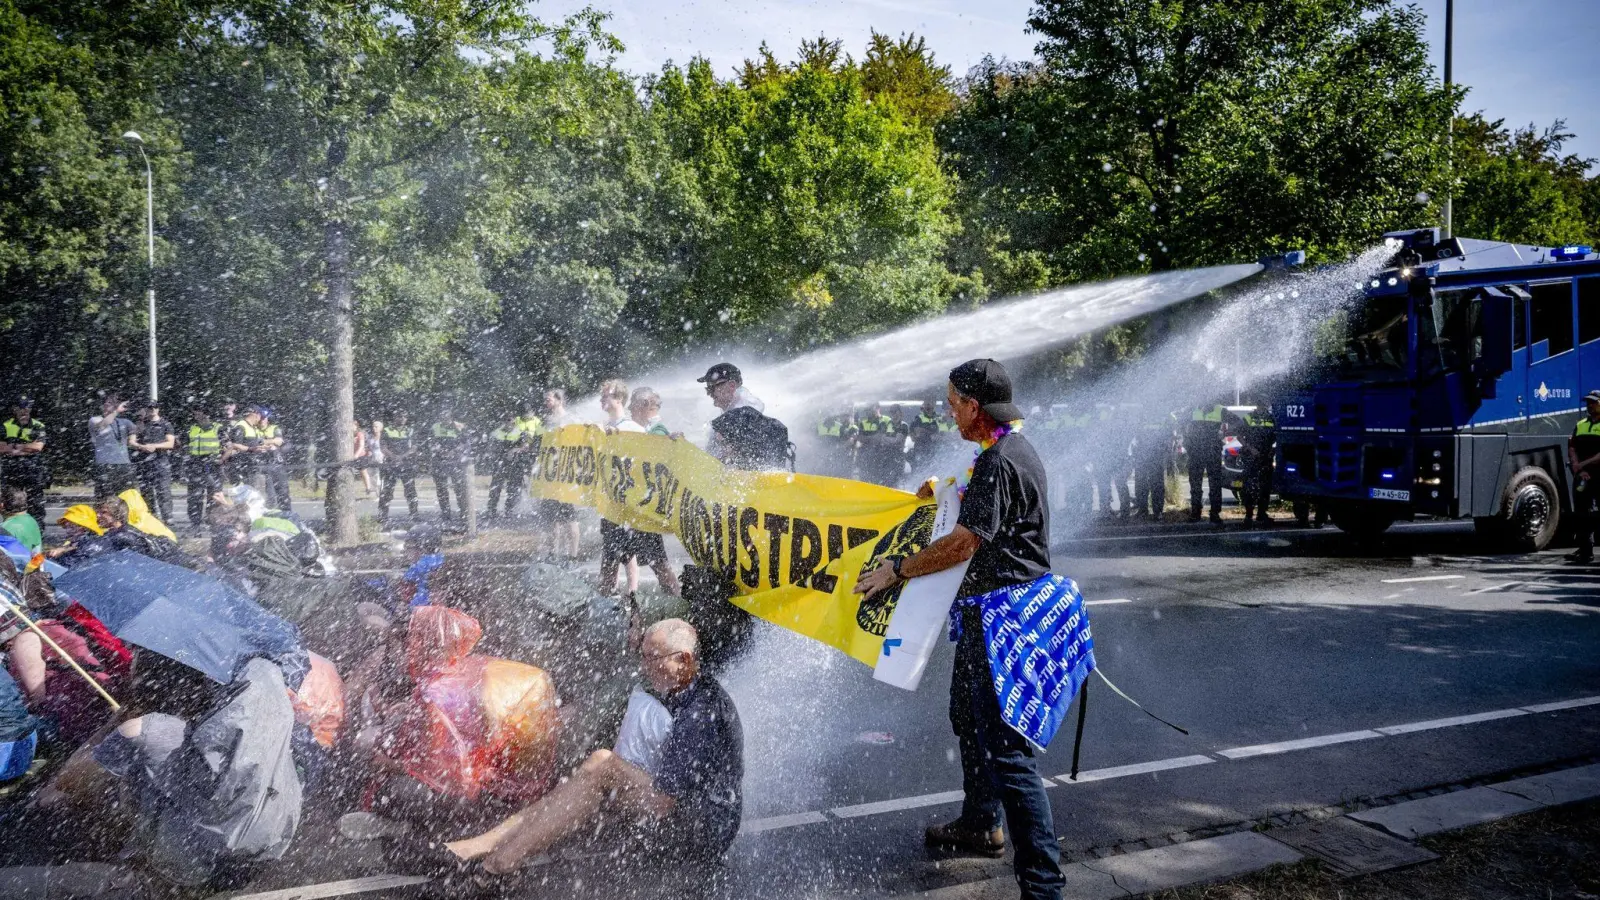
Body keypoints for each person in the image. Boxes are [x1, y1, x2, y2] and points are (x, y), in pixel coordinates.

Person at [854, 358, 1065, 900]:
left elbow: (965, 543)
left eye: (953, 403)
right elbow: (977, 507)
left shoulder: (1000, 460)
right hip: (986, 617)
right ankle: (980, 823)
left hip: (1004, 621)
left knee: (1008, 752)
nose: (948, 411)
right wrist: (943, 492)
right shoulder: (1001, 454)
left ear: (975, 406)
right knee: (967, 717)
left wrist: (896, 570)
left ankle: (1044, 887)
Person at [395, 619, 743, 877]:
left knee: (602, 768)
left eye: (654, 658)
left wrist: (609, 780)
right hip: (685, 809)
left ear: (682, 659)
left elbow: (664, 802)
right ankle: (480, 850)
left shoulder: (701, 712)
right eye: (644, 656)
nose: (645, 666)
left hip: (700, 830)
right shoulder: (685, 689)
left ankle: (496, 863)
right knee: (595, 772)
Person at [624, 388, 681, 597]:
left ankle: (675, 600)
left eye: (633, 404)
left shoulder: (657, 430)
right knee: (648, 560)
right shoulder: (640, 430)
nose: (629, 408)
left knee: (659, 563)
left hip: (647, 508)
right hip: (637, 507)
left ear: (646, 405)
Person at [700, 363, 791, 471]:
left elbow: (712, 461)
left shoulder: (741, 417)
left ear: (732, 386)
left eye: (711, 388)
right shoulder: (736, 416)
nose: (709, 394)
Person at [598, 380, 642, 597]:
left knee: (627, 548)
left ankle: (633, 592)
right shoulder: (602, 428)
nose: (601, 399)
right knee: (610, 547)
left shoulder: (633, 428)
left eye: (606, 395)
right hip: (608, 499)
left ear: (619, 399)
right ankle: (610, 591)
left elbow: (645, 460)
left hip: (627, 498)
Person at [539, 389, 580, 558]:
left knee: (570, 517)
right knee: (551, 518)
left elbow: (580, 443)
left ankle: (573, 556)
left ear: (559, 399)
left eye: (548, 399)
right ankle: (552, 553)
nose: (545, 402)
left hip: (567, 476)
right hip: (550, 475)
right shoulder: (547, 421)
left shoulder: (571, 419)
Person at [2, 397, 48, 522]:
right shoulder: (6, 425)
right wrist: (27, 448)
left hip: (33, 471)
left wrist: (16, 448)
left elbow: (38, 447)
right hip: (12, 470)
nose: (24, 411)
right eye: (20, 408)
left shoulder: (38, 426)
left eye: (26, 408)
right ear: (14, 409)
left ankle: (37, 531)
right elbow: (1, 448)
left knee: (36, 504)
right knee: (11, 502)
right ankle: (12, 530)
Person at [1567, 389, 1600, 563]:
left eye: (1593, 402)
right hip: (1583, 476)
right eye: (1588, 402)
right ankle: (1585, 552)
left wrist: (1582, 465)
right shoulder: (1580, 425)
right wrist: (1578, 468)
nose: (1590, 405)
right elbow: (1572, 447)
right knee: (1581, 514)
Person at [130, 402, 176, 524]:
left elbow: (170, 443)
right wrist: (142, 446)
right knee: (146, 491)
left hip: (161, 461)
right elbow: (131, 442)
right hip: (144, 462)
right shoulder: (140, 424)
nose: (152, 410)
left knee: (163, 490)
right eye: (150, 408)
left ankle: (167, 517)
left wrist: (154, 446)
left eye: (155, 407)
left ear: (158, 409)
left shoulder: (166, 424)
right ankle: (150, 516)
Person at [88, 394, 139, 501]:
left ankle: (123, 517)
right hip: (105, 465)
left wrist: (143, 417)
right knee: (104, 498)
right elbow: (103, 425)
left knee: (126, 497)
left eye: (113, 403)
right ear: (103, 405)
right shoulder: (95, 420)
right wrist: (116, 411)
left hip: (123, 464)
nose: (111, 405)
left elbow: (134, 439)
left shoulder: (125, 422)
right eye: (109, 402)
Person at [184, 404, 225, 530]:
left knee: (214, 495)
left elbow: (229, 446)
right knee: (195, 496)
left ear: (206, 414)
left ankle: (212, 521)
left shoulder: (218, 428)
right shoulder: (192, 429)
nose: (195, 414)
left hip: (212, 465)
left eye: (198, 412)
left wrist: (221, 460)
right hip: (196, 465)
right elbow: (184, 446)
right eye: (195, 412)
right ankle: (195, 522)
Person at [379, 410, 421, 524]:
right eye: (399, 416)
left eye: (404, 417)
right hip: (390, 465)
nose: (402, 419)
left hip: (407, 465)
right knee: (387, 491)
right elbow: (383, 447)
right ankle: (383, 515)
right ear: (394, 417)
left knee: (410, 491)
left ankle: (414, 514)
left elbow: (414, 447)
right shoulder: (387, 430)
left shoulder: (410, 431)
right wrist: (394, 457)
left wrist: (402, 456)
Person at [1186, 403, 1225, 525]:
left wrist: (1223, 433)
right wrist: (1187, 441)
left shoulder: (1219, 410)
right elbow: (1180, 423)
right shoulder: (1192, 409)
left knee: (1215, 485)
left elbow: (1239, 422)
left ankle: (1214, 513)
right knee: (1195, 485)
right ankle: (1196, 512)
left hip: (1213, 453)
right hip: (1196, 453)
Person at [486, 410, 530, 520]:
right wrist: (496, 456)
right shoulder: (496, 433)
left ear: (514, 421)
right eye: (506, 420)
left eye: (511, 420)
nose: (509, 422)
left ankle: (509, 511)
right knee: (495, 488)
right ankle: (492, 510)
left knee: (513, 489)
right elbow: (490, 448)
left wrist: (514, 450)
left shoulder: (521, 432)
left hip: (515, 464)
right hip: (500, 464)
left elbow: (526, 447)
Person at [430, 407, 470, 523]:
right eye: (442, 418)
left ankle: (464, 513)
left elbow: (466, 443)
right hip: (439, 461)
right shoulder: (435, 427)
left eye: (446, 418)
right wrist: (439, 450)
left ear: (451, 418)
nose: (444, 420)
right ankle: (446, 514)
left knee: (459, 489)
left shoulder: (459, 427)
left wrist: (455, 451)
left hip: (455, 462)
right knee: (441, 489)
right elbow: (431, 442)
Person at [1238, 408, 1276, 527]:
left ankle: (1261, 514)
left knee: (1265, 487)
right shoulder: (1249, 417)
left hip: (1266, 457)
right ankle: (1249, 516)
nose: (1262, 405)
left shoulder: (1271, 418)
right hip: (1251, 458)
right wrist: (1250, 448)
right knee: (1249, 487)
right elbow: (1239, 436)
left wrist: (1272, 450)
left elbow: (1277, 435)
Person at [225, 405, 268, 491]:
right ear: (255, 414)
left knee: (254, 493)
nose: (260, 419)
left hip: (252, 465)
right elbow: (235, 445)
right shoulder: (241, 426)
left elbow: (254, 443)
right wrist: (251, 449)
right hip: (241, 466)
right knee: (244, 494)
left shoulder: (253, 428)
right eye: (260, 416)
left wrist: (262, 447)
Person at [259, 408, 292, 510]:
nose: (262, 421)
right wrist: (270, 442)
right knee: (270, 493)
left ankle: (286, 512)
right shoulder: (255, 429)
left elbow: (279, 441)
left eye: (264, 418)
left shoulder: (274, 428)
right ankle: (270, 512)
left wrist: (263, 441)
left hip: (276, 463)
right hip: (262, 464)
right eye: (261, 418)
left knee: (283, 491)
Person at [1, 487, 42, 554]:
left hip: (16, 563)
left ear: (1, 506)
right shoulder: (31, 521)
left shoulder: (6, 528)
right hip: (33, 563)